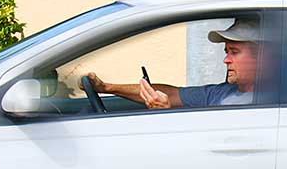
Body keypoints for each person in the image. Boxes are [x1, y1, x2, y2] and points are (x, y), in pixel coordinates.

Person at [84, 16, 260, 109]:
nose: (226, 60)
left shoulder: (269, 102)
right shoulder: (220, 93)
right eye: (226, 52)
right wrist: (106, 87)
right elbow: (174, 94)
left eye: (234, 52)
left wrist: (167, 112)